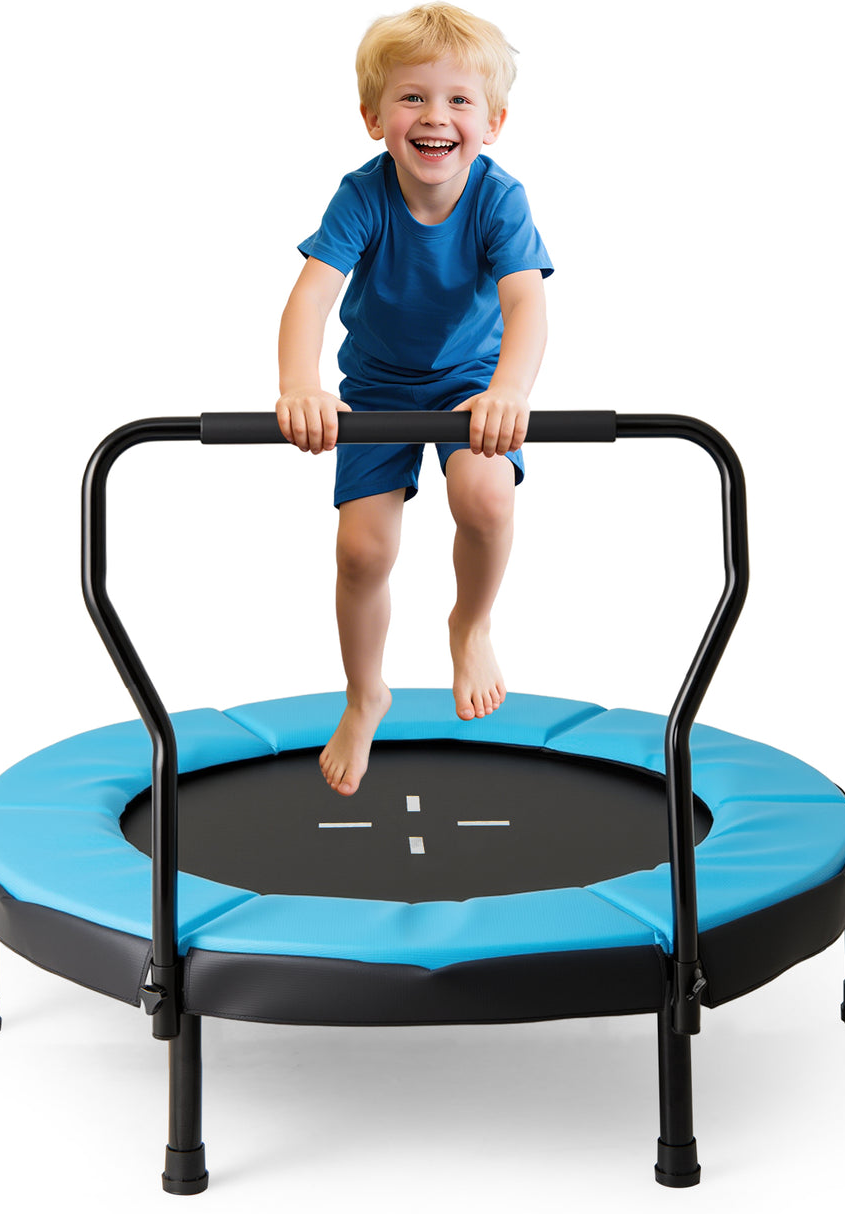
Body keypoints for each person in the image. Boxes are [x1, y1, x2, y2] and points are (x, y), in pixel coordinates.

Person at [276, 2, 552, 796]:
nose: (436, 117)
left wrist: (509, 390)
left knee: (485, 495)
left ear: (494, 121)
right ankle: (366, 695)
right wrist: (301, 385)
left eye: (459, 100)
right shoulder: (360, 198)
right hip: (378, 388)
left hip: (473, 384)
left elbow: (527, 304)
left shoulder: (500, 200)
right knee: (362, 553)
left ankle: (470, 624)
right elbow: (308, 300)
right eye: (412, 98)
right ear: (373, 117)